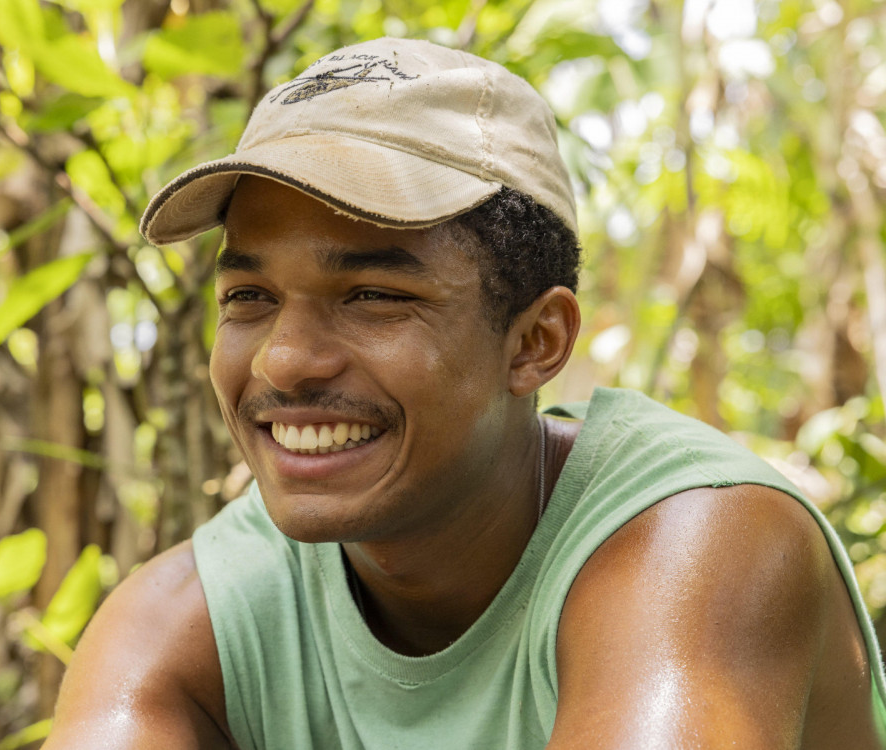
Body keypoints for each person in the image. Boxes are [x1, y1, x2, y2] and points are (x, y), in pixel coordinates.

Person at [44, 38, 886, 749]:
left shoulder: (702, 544)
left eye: (374, 295)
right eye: (248, 299)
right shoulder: (188, 623)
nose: (283, 361)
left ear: (535, 343)